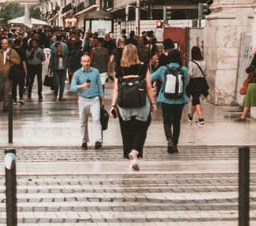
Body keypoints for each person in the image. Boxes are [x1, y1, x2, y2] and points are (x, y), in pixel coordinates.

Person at [111, 41, 156, 169]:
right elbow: (148, 86)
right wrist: (153, 103)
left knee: (126, 131)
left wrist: (113, 106)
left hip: (124, 104)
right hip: (140, 102)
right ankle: (135, 152)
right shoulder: (143, 66)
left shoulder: (119, 68)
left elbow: (116, 89)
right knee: (142, 127)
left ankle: (130, 159)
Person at [151, 47, 189, 154]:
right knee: (176, 122)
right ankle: (175, 144)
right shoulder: (184, 70)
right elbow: (186, 83)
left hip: (165, 99)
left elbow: (150, 78)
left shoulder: (163, 69)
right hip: (179, 100)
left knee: (167, 121)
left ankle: (169, 139)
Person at [69, 51, 105, 149]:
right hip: (83, 99)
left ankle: (98, 140)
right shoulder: (77, 73)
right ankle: (84, 140)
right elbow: (72, 88)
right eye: (84, 61)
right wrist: (82, 86)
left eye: (88, 61)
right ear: (81, 62)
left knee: (96, 119)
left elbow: (99, 86)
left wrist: (102, 98)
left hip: (94, 98)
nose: (86, 63)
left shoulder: (95, 71)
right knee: (83, 121)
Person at [0, 37, 21, 111]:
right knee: (2, 88)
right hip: (1, 73)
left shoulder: (13, 52)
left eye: (6, 43)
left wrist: (10, 59)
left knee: (7, 88)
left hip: (9, 73)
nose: (4, 45)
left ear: (8, 44)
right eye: (3, 43)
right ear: (1, 44)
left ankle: (6, 105)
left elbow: (18, 61)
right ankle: (6, 101)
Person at [187, 44, 209, 125]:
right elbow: (206, 73)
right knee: (195, 99)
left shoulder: (191, 63)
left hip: (194, 82)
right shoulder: (204, 62)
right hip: (202, 82)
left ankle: (201, 118)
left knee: (196, 99)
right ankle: (190, 115)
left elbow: (190, 74)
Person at [240, 45, 256, 122]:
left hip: (253, 81)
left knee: (248, 99)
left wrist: (247, 69)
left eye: (254, 49)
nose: (252, 50)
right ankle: (243, 116)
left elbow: (249, 70)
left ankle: (243, 116)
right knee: (249, 99)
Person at [50, 35, 68, 99]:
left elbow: (66, 60)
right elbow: (51, 61)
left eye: (60, 47)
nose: (60, 48)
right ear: (56, 47)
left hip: (63, 69)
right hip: (56, 69)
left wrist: (67, 68)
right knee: (57, 83)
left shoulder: (64, 54)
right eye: (58, 47)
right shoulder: (54, 55)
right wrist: (50, 69)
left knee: (62, 84)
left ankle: (61, 96)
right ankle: (56, 94)